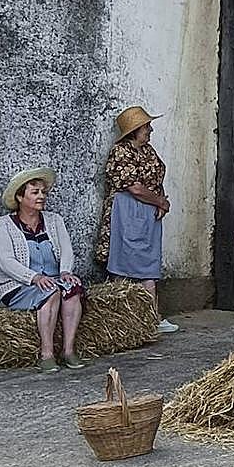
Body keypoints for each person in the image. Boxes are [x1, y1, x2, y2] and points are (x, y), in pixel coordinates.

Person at [0, 167, 86, 374]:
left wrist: (65, 271)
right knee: (50, 292)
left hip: (53, 279)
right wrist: (34, 278)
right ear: (19, 197)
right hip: (17, 286)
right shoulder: (4, 225)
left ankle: (69, 351)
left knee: (72, 289)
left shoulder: (54, 220)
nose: (41, 196)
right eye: (35, 192)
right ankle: (47, 354)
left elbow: (67, 250)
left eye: (43, 192)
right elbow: (6, 261)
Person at [95, 105, 180, 335]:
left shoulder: (148, 151)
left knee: (148, 265)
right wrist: (159, 202)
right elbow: (134, 187)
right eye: (146, 127)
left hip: (147, 213)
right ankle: (115, 319)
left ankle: (152, 317)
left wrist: (162, 201)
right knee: (122, 263)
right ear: (134, 130)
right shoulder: (121, 152)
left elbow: (155, 180)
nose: (150, 130)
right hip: (127, 211)